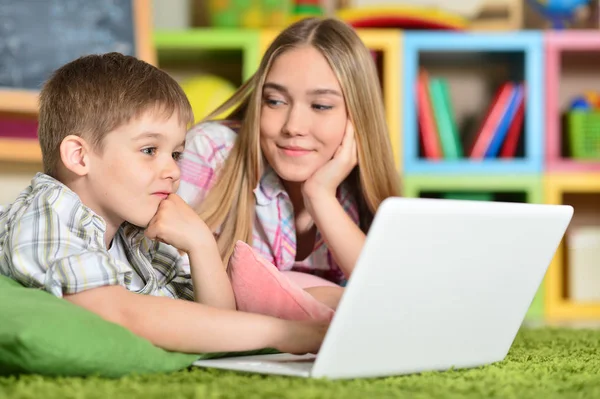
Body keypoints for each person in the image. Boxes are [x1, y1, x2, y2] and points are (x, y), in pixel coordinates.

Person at [0, 52, 327, 355]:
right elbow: (120, 313)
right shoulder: (46, 213)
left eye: (176, 154)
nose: (173, 171)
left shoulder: (136, 232)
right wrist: (284, 334)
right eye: (149, 151)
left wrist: (201, 244)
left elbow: (213, 323)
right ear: (79, 156)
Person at [177, 17, 401, 309]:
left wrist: (320, 196)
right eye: (275, 101)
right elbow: (166, 281)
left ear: (357, 117)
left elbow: (392, 295)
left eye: (321, 106)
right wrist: (317, 293)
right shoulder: (212, 151)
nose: (293, 126)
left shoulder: (360, 188)